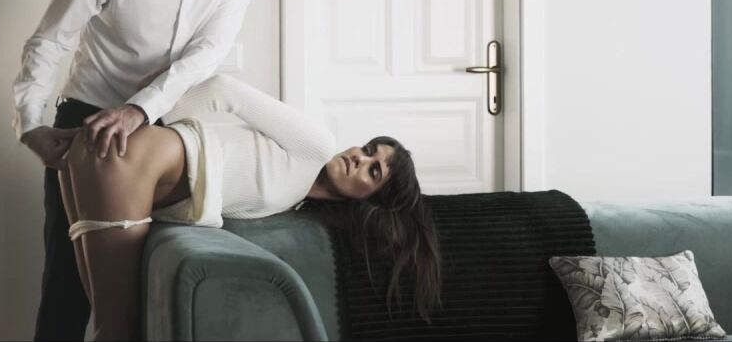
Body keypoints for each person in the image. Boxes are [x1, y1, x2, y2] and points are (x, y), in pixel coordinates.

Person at [11, 0, 284, 341]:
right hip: (86, 124)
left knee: (153, 280)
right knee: (68, 288)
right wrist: (30, 124)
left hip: (165, 133)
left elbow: (206, 53)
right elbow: (51, 38)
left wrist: (140, 110)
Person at [55, 74, 442, 340]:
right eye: (369, 149)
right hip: (139, 156)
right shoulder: (317, 145)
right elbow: (224, 89)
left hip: (105, 160)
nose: (360, 157)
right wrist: (146, 122)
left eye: (373, 171)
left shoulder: (298, 199)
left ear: (370, 200)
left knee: (105, 325)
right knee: (115, 331)